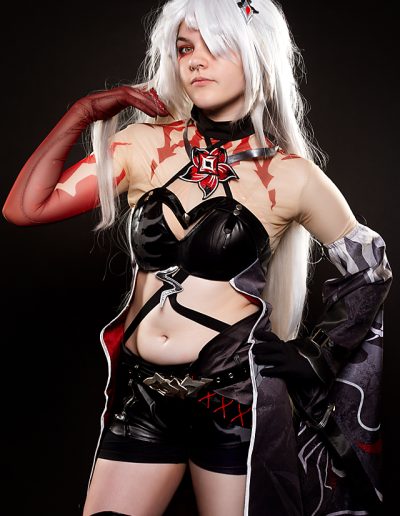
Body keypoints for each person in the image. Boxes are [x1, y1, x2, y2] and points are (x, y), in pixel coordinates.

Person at [2, 0, 392, 515]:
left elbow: (370, 266)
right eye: (186, 48)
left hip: (234, 402)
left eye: (218, 46)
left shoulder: (289, 174)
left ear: (257, 56)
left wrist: (316, 353)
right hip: (143, 394)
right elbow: (25, 208)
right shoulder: (143, 145)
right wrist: (84, 113)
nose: (197, 61)